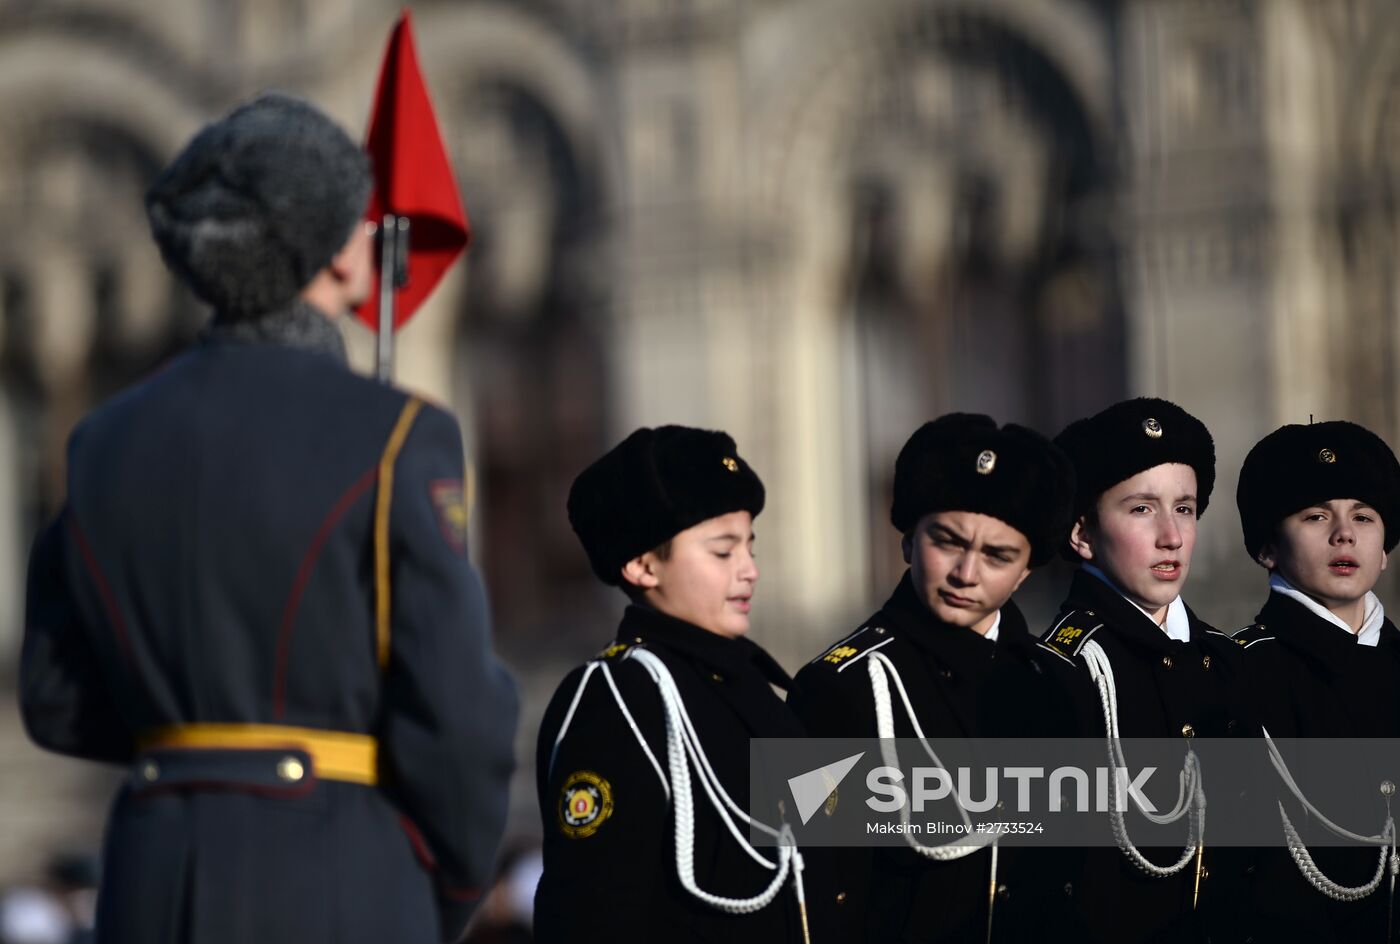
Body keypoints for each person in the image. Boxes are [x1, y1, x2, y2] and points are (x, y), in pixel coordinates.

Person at [19, 93, 518, 944]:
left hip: (151, 875)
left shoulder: (102, 439)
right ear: (323, 254)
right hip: (337, 873)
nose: (374, 233)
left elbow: (56, 698)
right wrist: (458, 880)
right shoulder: (399, 434)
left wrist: (194, 738)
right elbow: (459, 717)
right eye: (360, 216)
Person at [787, 413, 1076, 942]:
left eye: (997, 555)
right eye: (946, 541)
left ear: (1026, 570)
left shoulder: (1055, 684)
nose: (966, 573)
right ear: (907, 540)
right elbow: (812, 893)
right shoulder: (842, 688)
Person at [534, 426, 830, 942]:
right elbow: (589, 913)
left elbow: (841, 811)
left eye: (749, 546)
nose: (750, 571)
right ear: (643, 565)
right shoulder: (620, 699)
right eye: (722, 552)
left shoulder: (749, 688)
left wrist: (1016, 795)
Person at [1029, 397, 1254, 943]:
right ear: (1081, 533)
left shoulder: (1233, 664)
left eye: (1184, 507)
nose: (1171, 536)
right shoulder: (1055, 676)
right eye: (1141, 509)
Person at [1232, 420, 1400, 942]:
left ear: (1384, 550)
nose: (1344, 533)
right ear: (1267, 549)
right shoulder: (1238, 673)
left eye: (1364, 516)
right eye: (1315, 515)